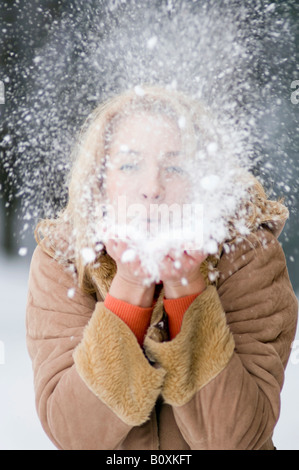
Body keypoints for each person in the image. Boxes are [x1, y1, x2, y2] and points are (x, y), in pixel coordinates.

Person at [26, 86, 298, 450]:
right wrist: (129, 287)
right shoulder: (63, 259)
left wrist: (186, 288)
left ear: (206, 180)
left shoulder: (248, 252)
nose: (152, 188)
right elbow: (75, 435)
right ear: (100, 179)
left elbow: (236, 438)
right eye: (130, 164)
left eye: (175, 166)